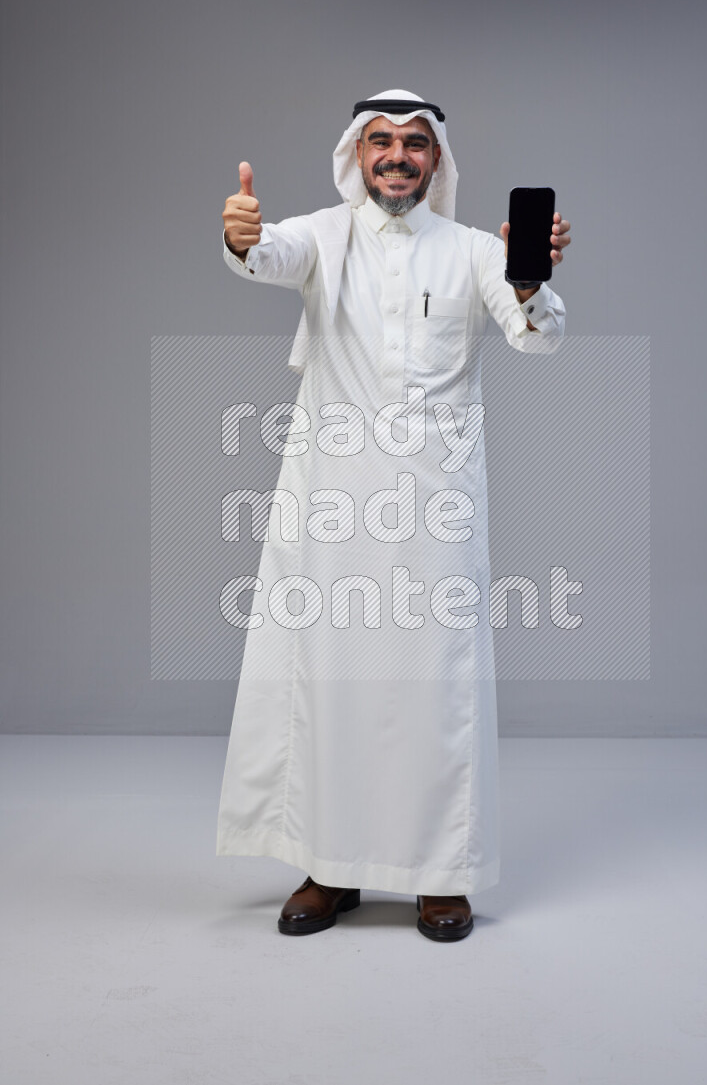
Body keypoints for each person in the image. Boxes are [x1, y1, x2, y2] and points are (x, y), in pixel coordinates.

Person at [217, 89, 571, 942]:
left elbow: (538, 335)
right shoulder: (321, 234)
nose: (398, 156)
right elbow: (267, 253)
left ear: (437, 160)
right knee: (331, 681)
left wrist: (530, 279)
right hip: (332, 500)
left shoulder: (473, 250)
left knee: (433, 686)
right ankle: (328, 867)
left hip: (435, 508)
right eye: (381, 142)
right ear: (356, 155)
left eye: (416, 143)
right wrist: (241, 237)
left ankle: (438, 875)